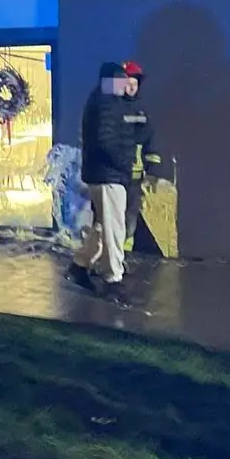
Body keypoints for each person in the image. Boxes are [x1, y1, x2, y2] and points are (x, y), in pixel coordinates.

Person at [67, 62, 139, 305]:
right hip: (109, 175)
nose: (125, 84)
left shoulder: (104, 100)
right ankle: (113, 280)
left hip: (105, 174)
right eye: (121, 79)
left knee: (101, 226)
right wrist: (124, 165)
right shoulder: (106, 103)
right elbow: (106, 141)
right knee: (113, 228)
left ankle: (79, 266)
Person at [121, 61, 161, 253]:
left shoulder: (142, 111)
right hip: (114, 176)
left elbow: (150, 143)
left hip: (134, 178)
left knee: (130, 218)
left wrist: (152, 171)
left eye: (134, 84)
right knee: (111, 218)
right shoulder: (111, 108)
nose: (131, 88)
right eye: (128, 83)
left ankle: (124, 254)